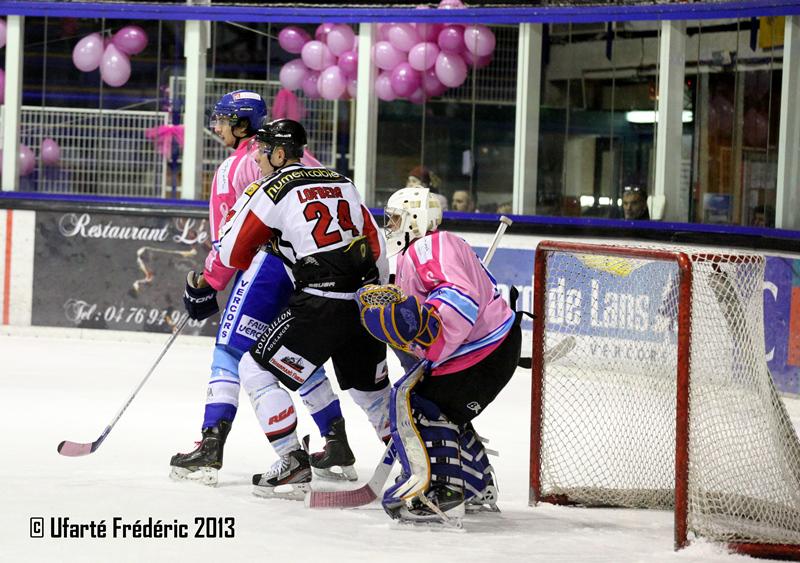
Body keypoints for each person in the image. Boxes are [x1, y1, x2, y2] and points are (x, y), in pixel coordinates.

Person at [172, 92, 352, 486]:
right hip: (309, 273)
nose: (217, 127)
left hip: (265, 269)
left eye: (223, 120)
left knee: (229, 351)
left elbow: (229, 242)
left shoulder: (233, 168)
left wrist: (207, 283)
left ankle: (211, 445)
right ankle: (336, 440)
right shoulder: (303, 158)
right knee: (291, 353)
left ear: (242, 125)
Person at [217, 119, 392, 498]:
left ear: (280, 154)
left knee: (253, 367)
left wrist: (267, 239)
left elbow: (231, 253)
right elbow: (377, 249)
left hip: (319, 303)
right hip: (364, 301)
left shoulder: (271, 188)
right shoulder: (343, 181)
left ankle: (292, 460)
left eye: (262, 152)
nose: (256, 159)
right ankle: (428, 464)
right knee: (372, 394)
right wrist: (372, 299)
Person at [357, 186, 522, 524]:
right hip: (487, 348)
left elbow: (459, 297)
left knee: (420, 406)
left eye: (396, 218)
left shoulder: (430, 245)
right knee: (441, 408)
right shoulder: (418, 253)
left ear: (415, 219)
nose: (390, 226)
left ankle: (442, 493)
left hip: (483, 349)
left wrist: (428, 326)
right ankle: (475, 486)